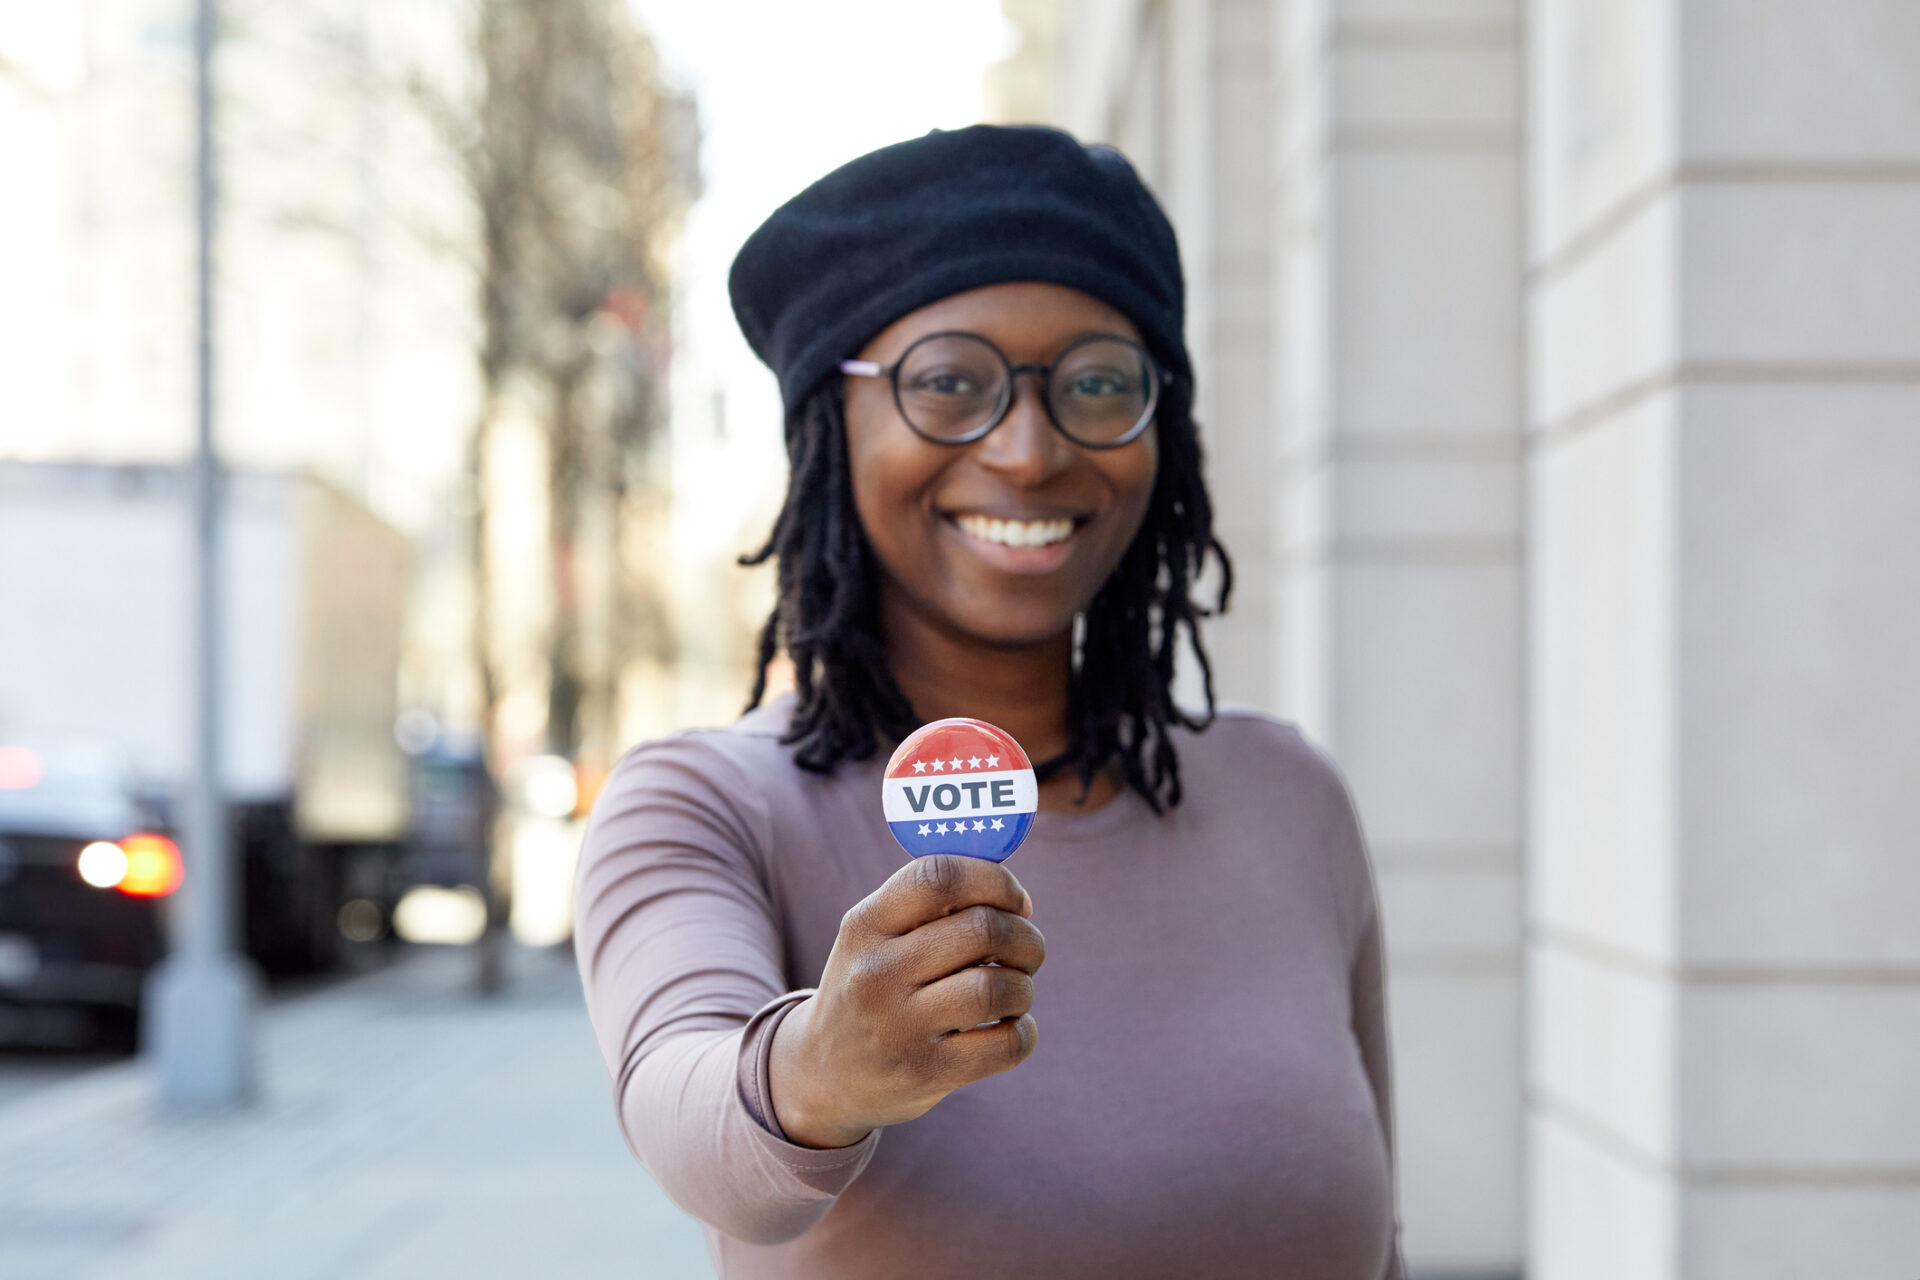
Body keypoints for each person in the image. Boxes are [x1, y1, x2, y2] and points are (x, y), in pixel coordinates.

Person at [574, 125, 1406, 1280]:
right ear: (834, 420)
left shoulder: (1288, 796)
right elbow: (696, 1132)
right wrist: (826, 1065)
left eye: (1098, 382)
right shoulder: (705, 805)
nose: (1027, 449)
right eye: (950, 383)